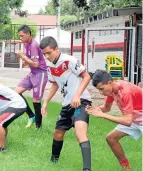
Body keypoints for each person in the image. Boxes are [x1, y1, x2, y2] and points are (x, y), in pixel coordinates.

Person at [40, 36, 92, 171]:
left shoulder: (69, 60)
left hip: (81, 101)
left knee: (80, 132)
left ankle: (87, 169)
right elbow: (55, 85)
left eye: (49, 53)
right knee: (57, 133)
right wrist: (45, 102)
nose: (46, 56)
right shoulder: (50, 66)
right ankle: (53, 162)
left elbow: (86, 76)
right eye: (44, 54)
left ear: (56, 49)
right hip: (66, 104)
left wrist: (77, 95)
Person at [86, 70, 142, 170]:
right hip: (134, 118)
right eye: (99, 90)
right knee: (111, 138)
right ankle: (126, 168)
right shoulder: (112, 90)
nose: (101, 92)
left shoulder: (125, 91)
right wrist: (94, 110)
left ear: (110, 83)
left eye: (102, 89)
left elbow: (128, 122)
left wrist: (102, 115)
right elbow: (107, 107)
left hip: (134, 119)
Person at [15, 25, 48, 128]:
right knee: (16, 93)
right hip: (32, 73)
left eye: (22, 36)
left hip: (40, 74)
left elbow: (36, 64)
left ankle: (38, 127)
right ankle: (31, 115)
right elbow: (30, 62)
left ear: (28, 34)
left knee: (36, 100)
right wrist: (23, 60)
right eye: (19, 36)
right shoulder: (26, 44)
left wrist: (23, 56)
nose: (21, 38)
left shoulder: (34, 45)